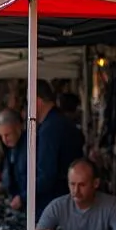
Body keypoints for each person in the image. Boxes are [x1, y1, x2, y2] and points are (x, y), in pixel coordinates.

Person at [36, 159, 116, 230]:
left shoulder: (112, 205)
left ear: (96, 183)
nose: (76, 191)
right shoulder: (57, 206)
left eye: (82, 185)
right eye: (72, 184)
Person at [36, 79, 84, 216]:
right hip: (68, 199)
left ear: (37, 101)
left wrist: (24, 196)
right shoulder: (63, 122)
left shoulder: (50, 129)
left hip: (54, 203)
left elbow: (46, 174)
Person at [0, 109, 27, 209]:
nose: (5, 140)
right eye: (1, 136)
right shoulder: (11, 148)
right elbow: (9, 178)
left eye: (7, 135)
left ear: (18, 127)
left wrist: (23, 197)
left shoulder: (30, 147)